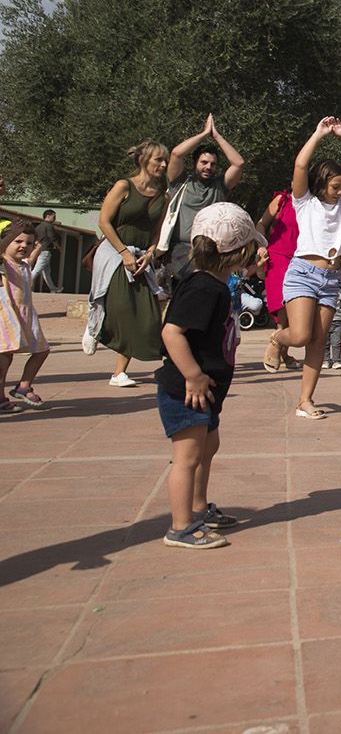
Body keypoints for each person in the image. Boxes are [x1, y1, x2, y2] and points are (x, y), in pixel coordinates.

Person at [152, 203, 262, 549]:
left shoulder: (215, 283)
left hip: (205, 389)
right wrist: (193, 375)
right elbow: (172, 332)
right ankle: (181, 527)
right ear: (240, 252)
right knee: (187, 458)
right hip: (186, 390)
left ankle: (198, 508)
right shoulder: (203, 288)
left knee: (208, 446)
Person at [271, 118, 341, 421]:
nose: (339, 191)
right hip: (303, 274)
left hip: (330, 279)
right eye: (335, 187)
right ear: (322, 183)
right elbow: (300, 165)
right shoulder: (304, 202)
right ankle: (278, 340)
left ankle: (305, 401)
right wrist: (318, 134)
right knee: (300, 335)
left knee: (317, 343)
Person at [84, 141, 170, 388]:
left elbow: (157, 230)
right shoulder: (124, 186)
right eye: (158, 160)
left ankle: (118, 374)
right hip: (114, 253)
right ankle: (95, 325)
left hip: (141, 257)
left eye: (165, 160)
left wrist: (150, 253)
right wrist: (123, 252)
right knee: (121, 306)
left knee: (146, 316)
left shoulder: (164, 196)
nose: (163, 165)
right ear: (144, 160)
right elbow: (104, 221)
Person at [162, 114, 247, 281]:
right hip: (179, 250)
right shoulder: (180, 182)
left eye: (213, 164)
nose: (208, 167)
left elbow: (238, 163)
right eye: (204, 162)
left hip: (209, 251)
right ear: (195, 163)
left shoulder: (219, 186)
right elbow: (176, 154)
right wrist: (204, 134)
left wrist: (216, 136)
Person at [1, 222, 50, 411]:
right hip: (6, 317)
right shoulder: (3, 263)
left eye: (29, 243)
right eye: (18, 241)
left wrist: (37, 247)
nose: (24, 246)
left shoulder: (24, 265)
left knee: (42, 351)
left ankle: (23, 386)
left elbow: (33, 253)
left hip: (26, 316)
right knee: (3, 360)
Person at [256, 187, 300, 371]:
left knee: (296, 305)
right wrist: (261, 245)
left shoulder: (314, 204)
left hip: (300, 257)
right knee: (284, 300)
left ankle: (282, 349)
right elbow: (260, 224)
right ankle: (278, 343)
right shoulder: (282, 200)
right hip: (277, 255)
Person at [29, 210, 61, 293]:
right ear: (48, 216)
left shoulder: (39, 226)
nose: (55, 218)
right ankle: (25, 285)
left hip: (38, 250)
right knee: (37, 270)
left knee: (46, 272)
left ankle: (53, 289)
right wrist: (58, 247)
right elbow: (52, 237)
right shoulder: (49, 226)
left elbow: (34, 237)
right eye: (54, 216)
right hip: (45, 250)